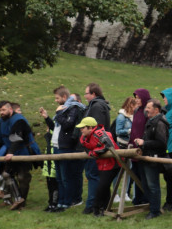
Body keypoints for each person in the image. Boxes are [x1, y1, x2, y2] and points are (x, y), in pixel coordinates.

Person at [0, 100, 35, 210]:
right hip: (12, 151)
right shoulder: (1, 122)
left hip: (24, 151)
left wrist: (11, 152)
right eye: (0, 110)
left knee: (22, 177)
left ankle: (22, 202)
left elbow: (18, 138)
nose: (1, 112)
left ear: (10, 109)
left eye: (4, 110)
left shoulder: (19, 120)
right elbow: (0, 140)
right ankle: (18, 199)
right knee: (6, 175)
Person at [40, 86, 85, 211]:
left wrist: (58, 112)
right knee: (59, 177)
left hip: (66, 147)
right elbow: (57, 128)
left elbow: (68, 125)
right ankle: (60, 202)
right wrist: (47, 118)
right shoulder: (64, 109)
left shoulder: (73, 108)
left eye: (57, 98)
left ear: (64, 97)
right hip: (57, 146)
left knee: (66, 177)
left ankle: (67, 202)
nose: (56, 100)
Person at [76, 116, 120, 217]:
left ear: (90, 128)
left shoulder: (101, 134)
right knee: (104, 187)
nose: (81, 129)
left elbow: (109, 145)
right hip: (101, 164)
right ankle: (105, 209)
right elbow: (86, 148)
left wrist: (94, 153)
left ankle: (96, 208)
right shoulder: (84, 137)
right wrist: (92, 153)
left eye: (83, 127)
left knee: (102, 186)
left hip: (113, 163)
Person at [77, 83, 111, 214]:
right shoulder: (97, 105)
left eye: (86, 93)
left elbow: (96, 130)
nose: (85, 96)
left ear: (93, 94)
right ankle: (98, 204)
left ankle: (93, 205)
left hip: (97, 149)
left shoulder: (96, 106)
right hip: (97, 148)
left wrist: (91, 147)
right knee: (97, 177)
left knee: (94, 176)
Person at [134, 98, 169, 220]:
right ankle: (153, 207)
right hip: (146, 157)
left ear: (156, 110)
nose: (146, 110)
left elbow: (161, 143)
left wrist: (144, 143)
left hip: (153, 159)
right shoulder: (151, 121)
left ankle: (155, 211)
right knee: (146, 184)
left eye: (148, 108)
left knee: (152, 185)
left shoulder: (159, 123)